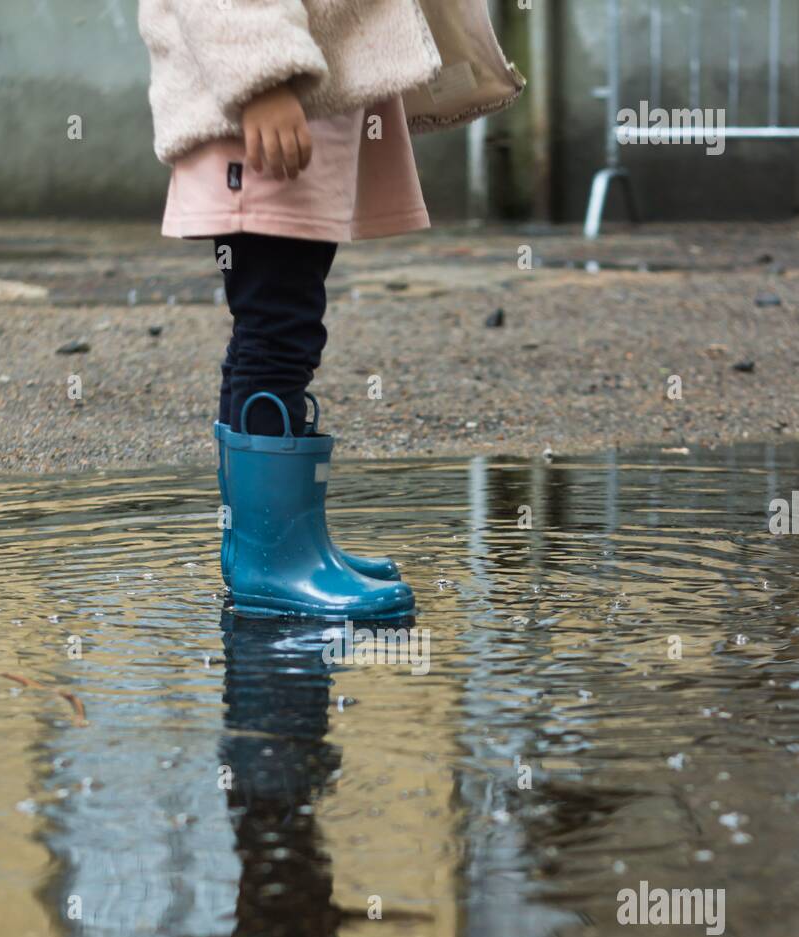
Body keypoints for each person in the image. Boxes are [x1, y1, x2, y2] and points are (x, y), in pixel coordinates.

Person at [139, 0, 523, 617]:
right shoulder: (262, 86)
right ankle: (276, 557)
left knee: (278, 327)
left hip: (304, 104)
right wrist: (260, 79)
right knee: (277, 328)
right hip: (263, 110)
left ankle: (272, 545)